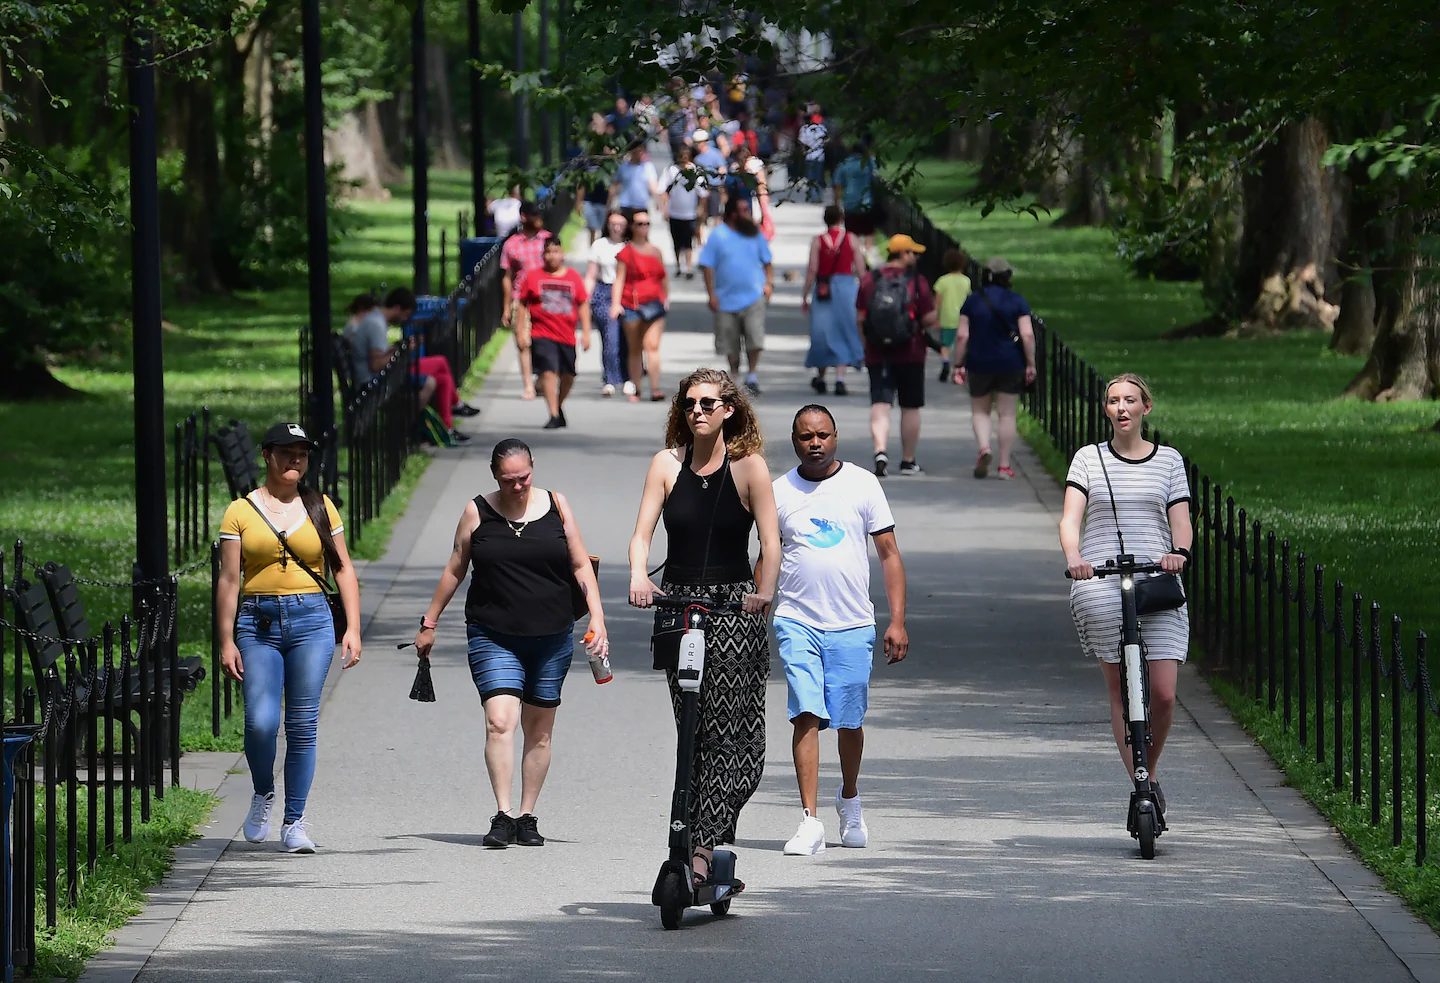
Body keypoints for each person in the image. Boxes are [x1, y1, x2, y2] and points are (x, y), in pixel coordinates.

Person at [414, 438, 608, 848]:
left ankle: (527, 815)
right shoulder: (477, 511)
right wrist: (429, 622)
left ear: (533, 469)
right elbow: (455, 567)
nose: (517, 486)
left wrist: (598, 617)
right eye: (508, 480)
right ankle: (502, 814)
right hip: (492, 634)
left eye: (524, 478)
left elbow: (579, 563)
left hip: (551, 637)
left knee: (539, 731)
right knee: (500, 721)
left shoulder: (557, 505)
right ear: (494, 476)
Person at [627, 367, 780, 885]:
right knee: (693, 729)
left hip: (735, 607)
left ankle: (707, 840)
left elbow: (771, 544)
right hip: (680, 606)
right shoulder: (666, 465)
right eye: (690, 403)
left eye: (708, 404)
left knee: (739, 739)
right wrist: (637, 577)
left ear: (728, 410)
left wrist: (764, 593)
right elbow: (642, 533)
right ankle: (695, 847)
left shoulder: (750, 467)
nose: (697, 411)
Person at [217, 422, 362, 854]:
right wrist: (226, 640)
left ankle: (295, 820)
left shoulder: (321, 506)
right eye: (285, 452)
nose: (294, 460)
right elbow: (228, 579)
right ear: (267, 455)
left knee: (302, 725)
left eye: (301, 452)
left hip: (312, 622)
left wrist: (352, 627)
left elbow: (343, 568)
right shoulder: (239, 511)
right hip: (257, 623)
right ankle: (263, 792)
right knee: (261, 722)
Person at [772, 405, 908, 855]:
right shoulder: (778, 492)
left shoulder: (862, 484)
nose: (815, 443)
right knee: (805, 713)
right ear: (794, 441)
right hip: (797, 619)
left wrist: (898, 620)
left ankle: (849, 798)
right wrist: (757, 605)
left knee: (849, 720)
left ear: (835, 437)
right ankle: (809, 820)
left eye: (823, 435)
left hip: (852, 622)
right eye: (806, 436)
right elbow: (767, 557)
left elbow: (888, 553)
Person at [1059, 374, 1192, 818]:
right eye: (1113, 401)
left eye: (1129, 400)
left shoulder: (1169, 461)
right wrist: (1075, 556)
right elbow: (1069, 519)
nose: (1121, 408)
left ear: (1145, 408)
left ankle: (1148, 774)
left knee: (1163, 693)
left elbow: (1182, 521)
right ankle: (1142, 788)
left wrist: (1178, 552)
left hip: (1155, 581)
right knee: (1122, 690)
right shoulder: (1087, 460)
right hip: (1101, 580)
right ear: (1106, 410)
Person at [342, 289, 473, 443]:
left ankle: (447, 427)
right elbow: (376, 365)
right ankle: (409, 429)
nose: (406, 319)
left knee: (442, 378)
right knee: (435, 372)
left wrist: (398, 347)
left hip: (384, 374)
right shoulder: (376, 324)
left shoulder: (376, 320)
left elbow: (379, 356)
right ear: (397, 308)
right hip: (375, 381)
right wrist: (402, 350)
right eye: (406, 314)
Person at [857, 234, 937, 477]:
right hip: (910, 352)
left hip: (877, 352)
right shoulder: (917, 281)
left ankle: (880, 450)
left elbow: (861, 318)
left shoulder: (871, 279)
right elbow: (929, 318)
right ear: (903, 254)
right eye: (913, 252)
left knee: (880, 403)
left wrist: (866, 345)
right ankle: (907, 460)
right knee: (910, 406)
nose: (917, 256)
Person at [952, 257, 1037, 479]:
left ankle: (984, 447)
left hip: (979, 362)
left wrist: (958, 364)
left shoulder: (972, 301)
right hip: (1011, 362)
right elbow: (1027, 334)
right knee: (1007, 414)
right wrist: (1031, 363)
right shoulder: (1017, 301)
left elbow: (962, 336)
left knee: (980, 410)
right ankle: (1004, 464)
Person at [698, 196, 773, 397]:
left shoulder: (755, 233)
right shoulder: (718, 235)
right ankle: (734, 375)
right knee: (730, 342)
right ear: (732, 213)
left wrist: (768, 284)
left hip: (753, 296)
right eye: (743, 210)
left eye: (747, 210)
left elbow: (767, 261)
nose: (747, 214)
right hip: (726, 300)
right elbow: (707, 265)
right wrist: (711, 294)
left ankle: (752, 375)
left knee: (754, 338)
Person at [518, 237, 591, 429]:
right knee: (548, 371)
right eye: (548, 252)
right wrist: (521, 331)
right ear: (543, 255)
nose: (552, 256)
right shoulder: (533, 276)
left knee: (568, 375)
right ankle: (552, 413)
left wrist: (587, 333)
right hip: (541, 333)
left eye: (556, 251)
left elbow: (583, 304)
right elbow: (522, 304)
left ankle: (558, 407)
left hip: (566, 335)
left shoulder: (573, 277)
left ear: (562, 254)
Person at [801, 205, 866, 396]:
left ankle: (821, 376)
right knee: (845, 329)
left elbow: (813, 268)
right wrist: (865, 292)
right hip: (846, 288)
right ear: (842, 219)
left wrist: (805, 294)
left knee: (822, 331)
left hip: (824, 288)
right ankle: (840, 378)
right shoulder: (851, 239)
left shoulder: (818, 241)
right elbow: (861, 269)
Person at [610, 209, 670, 403]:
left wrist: (666, 298)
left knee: (652, 346)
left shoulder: (656, 251)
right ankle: (636, 388)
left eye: (647, 223)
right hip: (631, 304)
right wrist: (615, 304)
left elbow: (663, 277)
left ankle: (655, 388)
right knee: (635, 348)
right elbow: (619, 280)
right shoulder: (625, 253)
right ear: (632, 227)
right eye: (639, 224)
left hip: (653, 303)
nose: (643, 227)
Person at [501, 201, 552, 402]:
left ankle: (541, 379)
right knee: (523, 342)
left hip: (546, 298)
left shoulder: (547, 240)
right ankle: (529, 385)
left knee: (545, 342)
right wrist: (506, 307)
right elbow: (507, 277)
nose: (538, 219)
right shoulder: (511, 244)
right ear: (523, 217)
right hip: (520, 299)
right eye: (534, 215)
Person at [584, 210, 632, 398]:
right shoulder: (599, 245)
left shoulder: (630, 246)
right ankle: (611, 378)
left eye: (620, 224)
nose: (617, 227)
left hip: (627, 293)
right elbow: (591, 275)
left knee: (628, 338)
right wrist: (585, 299)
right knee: (610, 337)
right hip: (604, 292)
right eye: (613, 223)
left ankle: (629, 378)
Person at [660, 146, 707, 279]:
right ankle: (679, 265)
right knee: (676, 241)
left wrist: (701, 209)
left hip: (689, 213)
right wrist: (664, 208)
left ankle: (688, 267)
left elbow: (703, 193)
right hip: (674, 212)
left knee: (688, 241)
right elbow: (664, 190)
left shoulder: (694, 171)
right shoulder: (671, 170)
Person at [833, 140, 879, 256]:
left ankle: (855, 255)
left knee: (852, 232)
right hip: (867, 202)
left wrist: (836, 202)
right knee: (868, 230)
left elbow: (837, 185)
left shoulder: (844, 164)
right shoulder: (869, 162)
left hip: (850, 202)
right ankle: (867, 253)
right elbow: (876, 175)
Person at [933, 249, 973, 382]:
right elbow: (969, 298)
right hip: (962, 318)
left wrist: (936, 318)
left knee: (945, 344)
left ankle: (945, 361)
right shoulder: (966, 281)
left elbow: (938, 301)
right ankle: (958, 371)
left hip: (946, 317)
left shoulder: (942, 281)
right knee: (960, 345)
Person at [692, 130, 728, 242]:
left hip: (714, 187)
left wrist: (721, 186)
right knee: (701, 213)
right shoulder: (697, 158)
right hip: (701, 188)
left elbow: (722, 169)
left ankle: (715, 237)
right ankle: (701, 237)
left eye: (701, 142)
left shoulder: (715, 154)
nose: (699, 145)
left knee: (716, 214)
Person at [610, 147, 658, 221]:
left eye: (641, 151)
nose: (639, 153)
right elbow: (615, 186)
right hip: (625, 205)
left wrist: (658, 202)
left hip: (641, 206)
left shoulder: (648, 167)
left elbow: (653, 186)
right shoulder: (623, 167)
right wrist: (609, 203)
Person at [797, 111, 827, 203]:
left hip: (809, 157)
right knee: (819, 177)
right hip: (820, 156)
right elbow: (826, 141)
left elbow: (802, 143)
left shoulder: (805, 129)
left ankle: (812, 197)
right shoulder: (822, 128)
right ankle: (819, 197)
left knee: (810, 178)